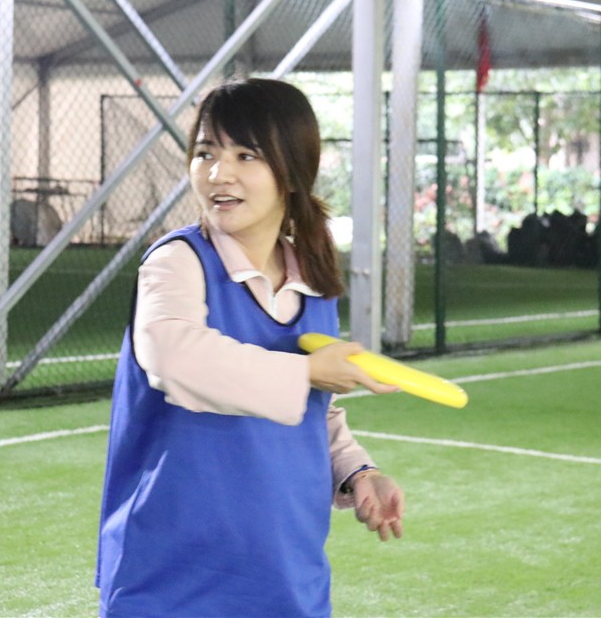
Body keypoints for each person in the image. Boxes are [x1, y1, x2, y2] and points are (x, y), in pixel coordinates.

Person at [96, 78, 405, 618]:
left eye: (246, 155)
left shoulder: (313, 281)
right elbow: (174, 358)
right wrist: (305, 372)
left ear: (292, 171)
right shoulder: (177, 261)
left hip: (287, 575)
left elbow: (318, 411)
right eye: (205, 153)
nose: (219, 173)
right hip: (170, 577)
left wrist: (358, 472)